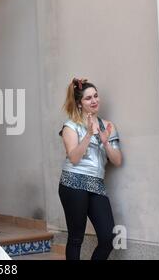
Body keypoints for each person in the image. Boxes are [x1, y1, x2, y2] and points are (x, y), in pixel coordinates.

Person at [58, 78, 123, 260]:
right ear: (79, 103)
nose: (94, 101)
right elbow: (74, 157)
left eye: (95, 96)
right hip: (73, 183)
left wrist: (105, 143)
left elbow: (117, 160)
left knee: (108, 237)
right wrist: (88, 134)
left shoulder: (108, 127)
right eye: (88, 98)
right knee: (76, 237)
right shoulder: (70, 126)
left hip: (96, 185)